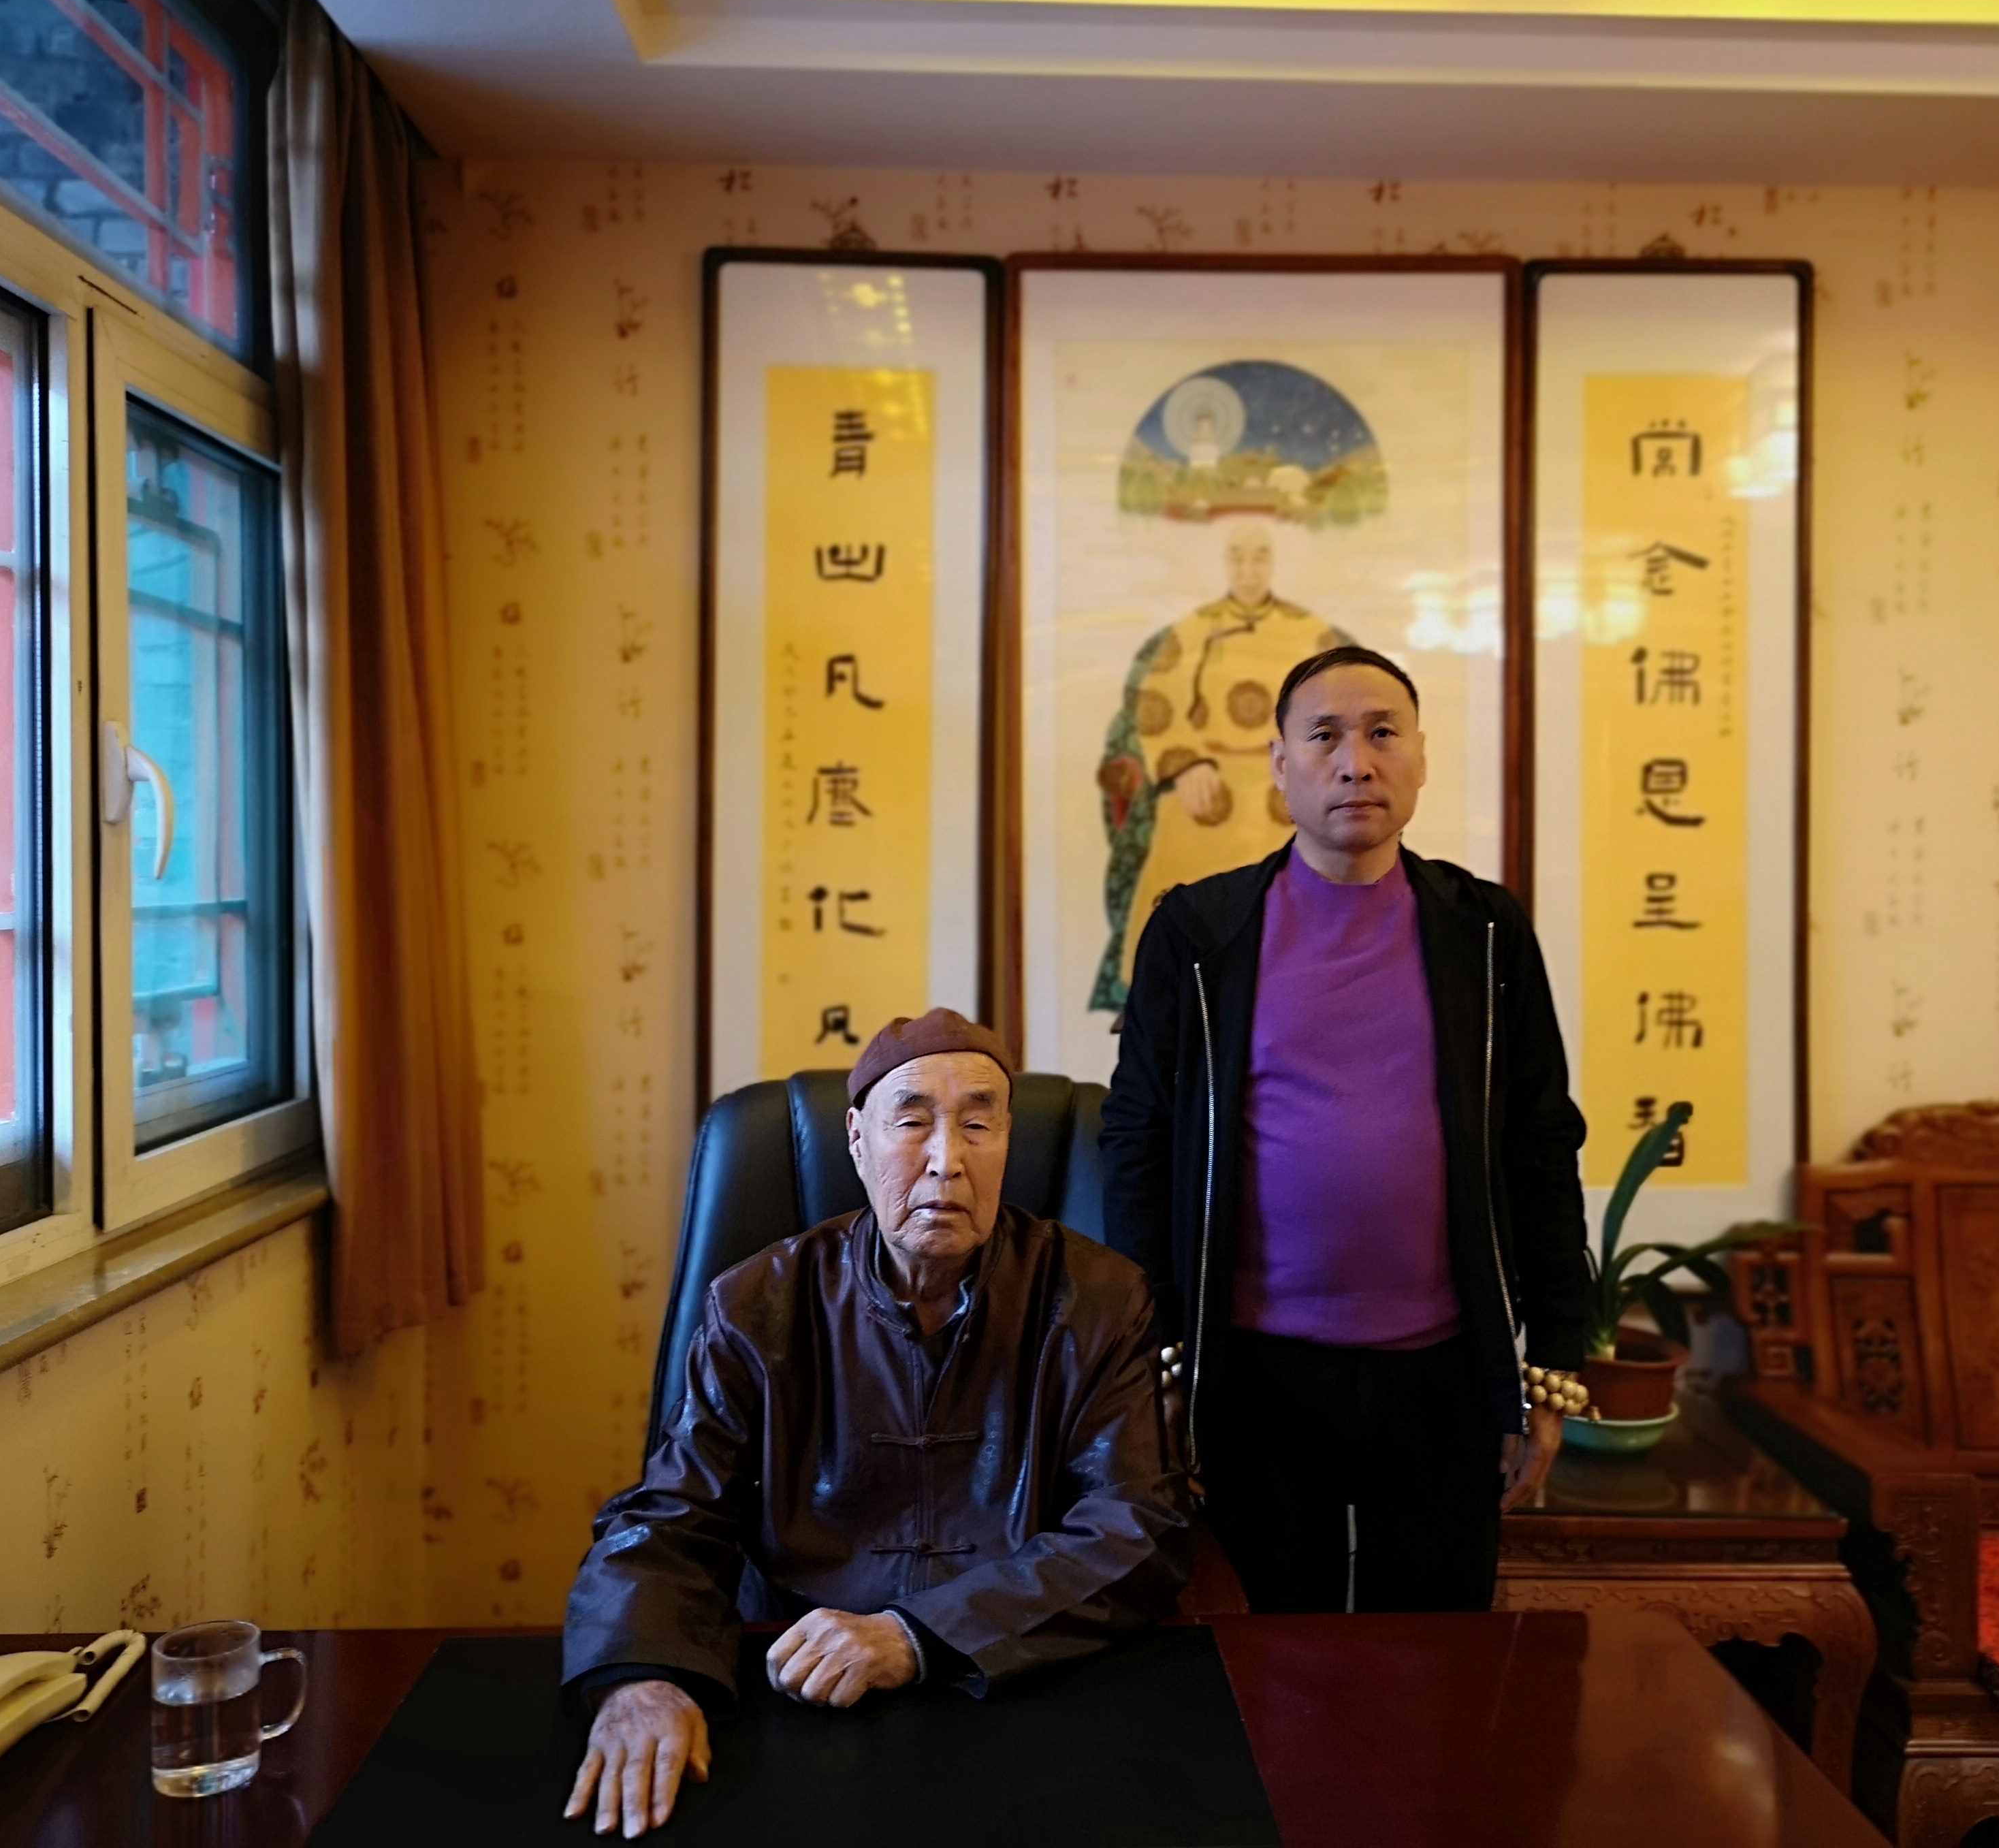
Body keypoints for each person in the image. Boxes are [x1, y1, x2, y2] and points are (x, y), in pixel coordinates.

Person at [562, 1010, 1189, 1837]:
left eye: (978, 1126)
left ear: (1008, 1141)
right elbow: (675, 1515)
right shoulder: (758, 1304)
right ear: (857, 1141)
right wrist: (643, 1679)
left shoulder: (1098, 1298)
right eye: (913, 1123)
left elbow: (1135, 1525)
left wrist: (917, 1636)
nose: (947, 1160)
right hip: (798, 1672)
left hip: (1022, 1667)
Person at [1100, 645, 1592, 1617]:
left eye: (1382, 733)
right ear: (1280, 765)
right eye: (1324, 737)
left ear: (1420, 758)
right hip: (1256, 1374)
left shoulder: (1485, 931)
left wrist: (1553, 1365)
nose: (1356, 762)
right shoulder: (1200, 934)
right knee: (1273, 1657)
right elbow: (1138, 1142)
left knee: (1436, 1657)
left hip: (1446, 1370)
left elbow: (1541, 1142)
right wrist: (1158, 1356)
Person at [1090, 518, 1350, 1012]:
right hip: (1210, 781)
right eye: (1237, 556)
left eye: (1260, 556)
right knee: (1181, 856)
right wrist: (1187, 765)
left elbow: (1340, 714)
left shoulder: (1311, 634)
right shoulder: (1192, 632)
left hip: (1284, 784)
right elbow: (1158, 705)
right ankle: (1163, 997)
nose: (1248, 569)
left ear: (1274, 563)